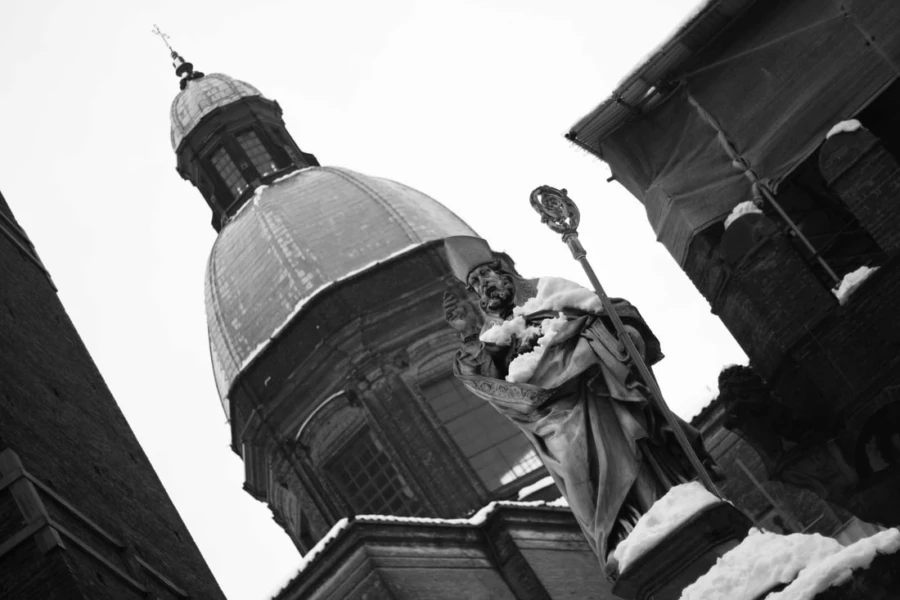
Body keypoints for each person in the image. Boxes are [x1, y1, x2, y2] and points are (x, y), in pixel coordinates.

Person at [442, 235, 717, 578]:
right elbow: (484, 379)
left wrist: (622, 331)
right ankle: (623, 535)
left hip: (598, 392)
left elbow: (610, 309)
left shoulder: (549, 290)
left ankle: (663, 508)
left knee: (629, 443)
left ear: (504, 274)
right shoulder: (489, 337)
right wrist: (470, 337)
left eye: (486, 277)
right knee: (578, 469)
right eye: (476, 284)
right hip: (551, 417)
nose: (484, 287)